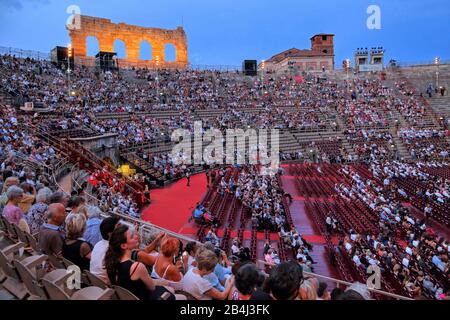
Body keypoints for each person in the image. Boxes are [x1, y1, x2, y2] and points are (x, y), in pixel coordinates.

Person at [104, 224, 176, 300]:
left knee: (170, 288)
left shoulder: (110, 262)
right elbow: (152, 287)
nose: (136, 237)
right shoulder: (136, 266)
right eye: (132, 237)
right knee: (179, 294)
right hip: (141, 296)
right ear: (123, 246)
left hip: (127, 296)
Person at [90, 216, 120, 284]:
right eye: (118, 227)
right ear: (110, 234)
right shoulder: (112, 249)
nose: (121, 229)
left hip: (94, 282)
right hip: (105, 287)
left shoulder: (98, 244)